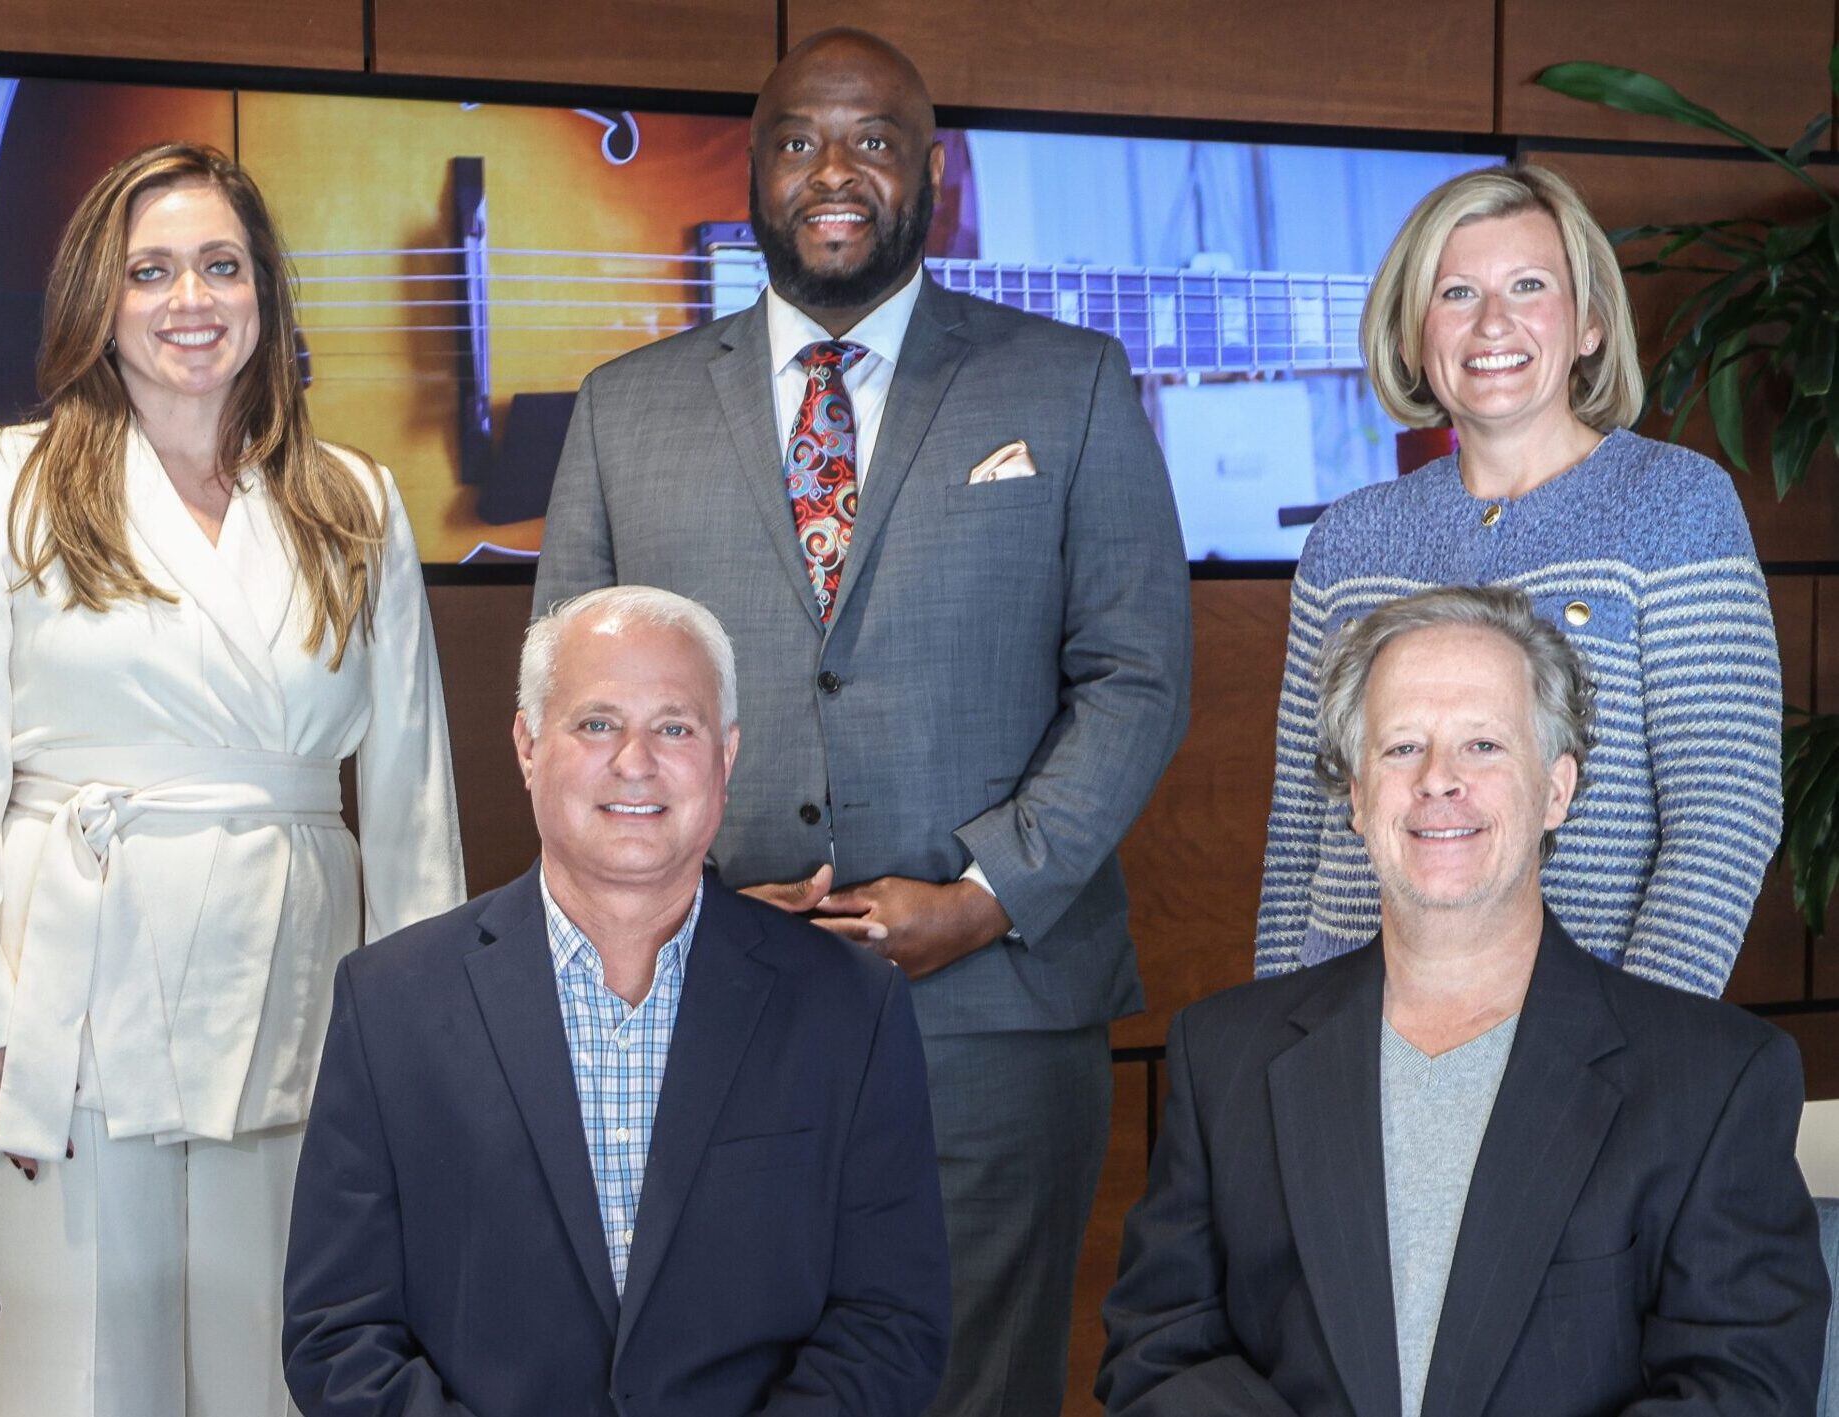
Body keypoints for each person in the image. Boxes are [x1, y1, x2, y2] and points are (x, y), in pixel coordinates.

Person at [532, 29, 1189, 1415]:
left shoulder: (1065, 386)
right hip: (697, 1005)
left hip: (994, 1013)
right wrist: (677, 899)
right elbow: (571, 714)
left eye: (873, 140)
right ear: (754, 172)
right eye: (796, 141)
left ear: (931, 176)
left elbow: (1134, 677)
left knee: (976, 1382)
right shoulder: (622, 413)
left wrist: (986, 892)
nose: (833, 172)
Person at [0, 141, 463, 1417]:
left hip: (300, 987)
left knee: (285, 1353)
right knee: (79, 1366)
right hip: (66, 996)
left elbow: (415, 799)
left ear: (265, 292)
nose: (189, 299)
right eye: (151, 271)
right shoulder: (8, 486)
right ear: (101, 296)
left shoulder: (354, 502)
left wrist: (422, 1038)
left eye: (220, 265)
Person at [1102, 585, 1826, 1417]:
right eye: (1402, 746)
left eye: (1483, 744)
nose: (1439, 780)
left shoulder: (1716, 1080)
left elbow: (1743, 1390)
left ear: (1557, 790)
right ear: (1357, 795)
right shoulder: (1222, 1055)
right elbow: (1158, 1350)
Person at [284, 586, 948, 1415]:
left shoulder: (850, 1007)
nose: (636, 760)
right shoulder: (391, 1003)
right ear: (528, 745)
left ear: (726, 755)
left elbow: (890, 1321)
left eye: (675, 726)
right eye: (597, 723)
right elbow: (338, 1333)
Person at [1256, 162, 1780, 997]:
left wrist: (1640, 1040)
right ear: (1411, 335)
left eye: (1529, 285)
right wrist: (1272, 1030)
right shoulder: (1347, 539)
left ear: (1588, 326)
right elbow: (1300, 820)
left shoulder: (1675, 504)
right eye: (1456, 293)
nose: (1492, 322)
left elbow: (1724, 813)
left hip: (1583, 1031)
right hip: (1348, 1014)